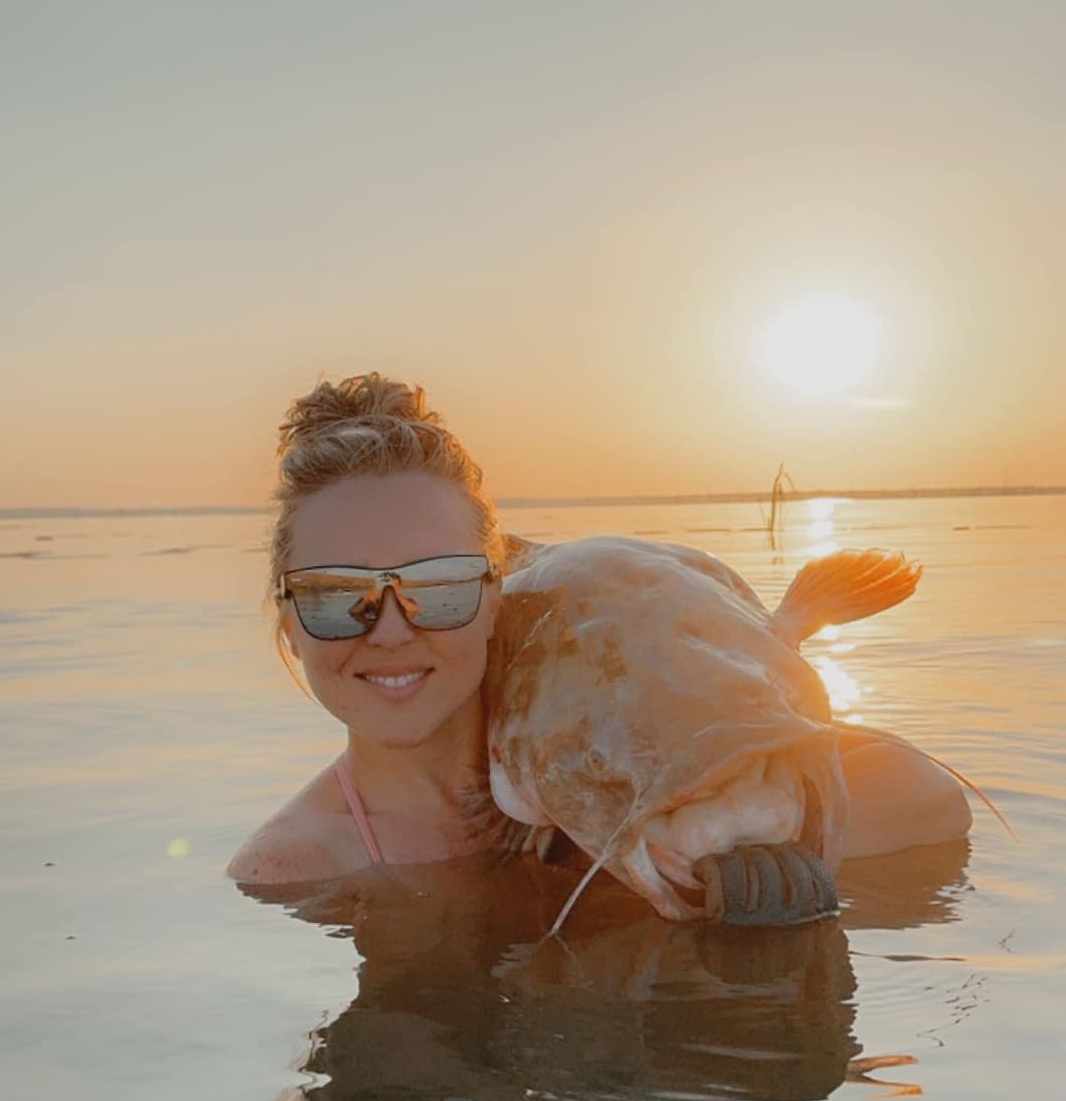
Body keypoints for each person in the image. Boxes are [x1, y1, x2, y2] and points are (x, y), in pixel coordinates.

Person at [226, 374, 971, 889]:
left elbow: (936, 805)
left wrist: (795, 834)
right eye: (334, 597)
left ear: (495, 597)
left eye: (438, 587)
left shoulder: (589, 727)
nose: (390, 632)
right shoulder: (287, 873)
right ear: (286, 621)